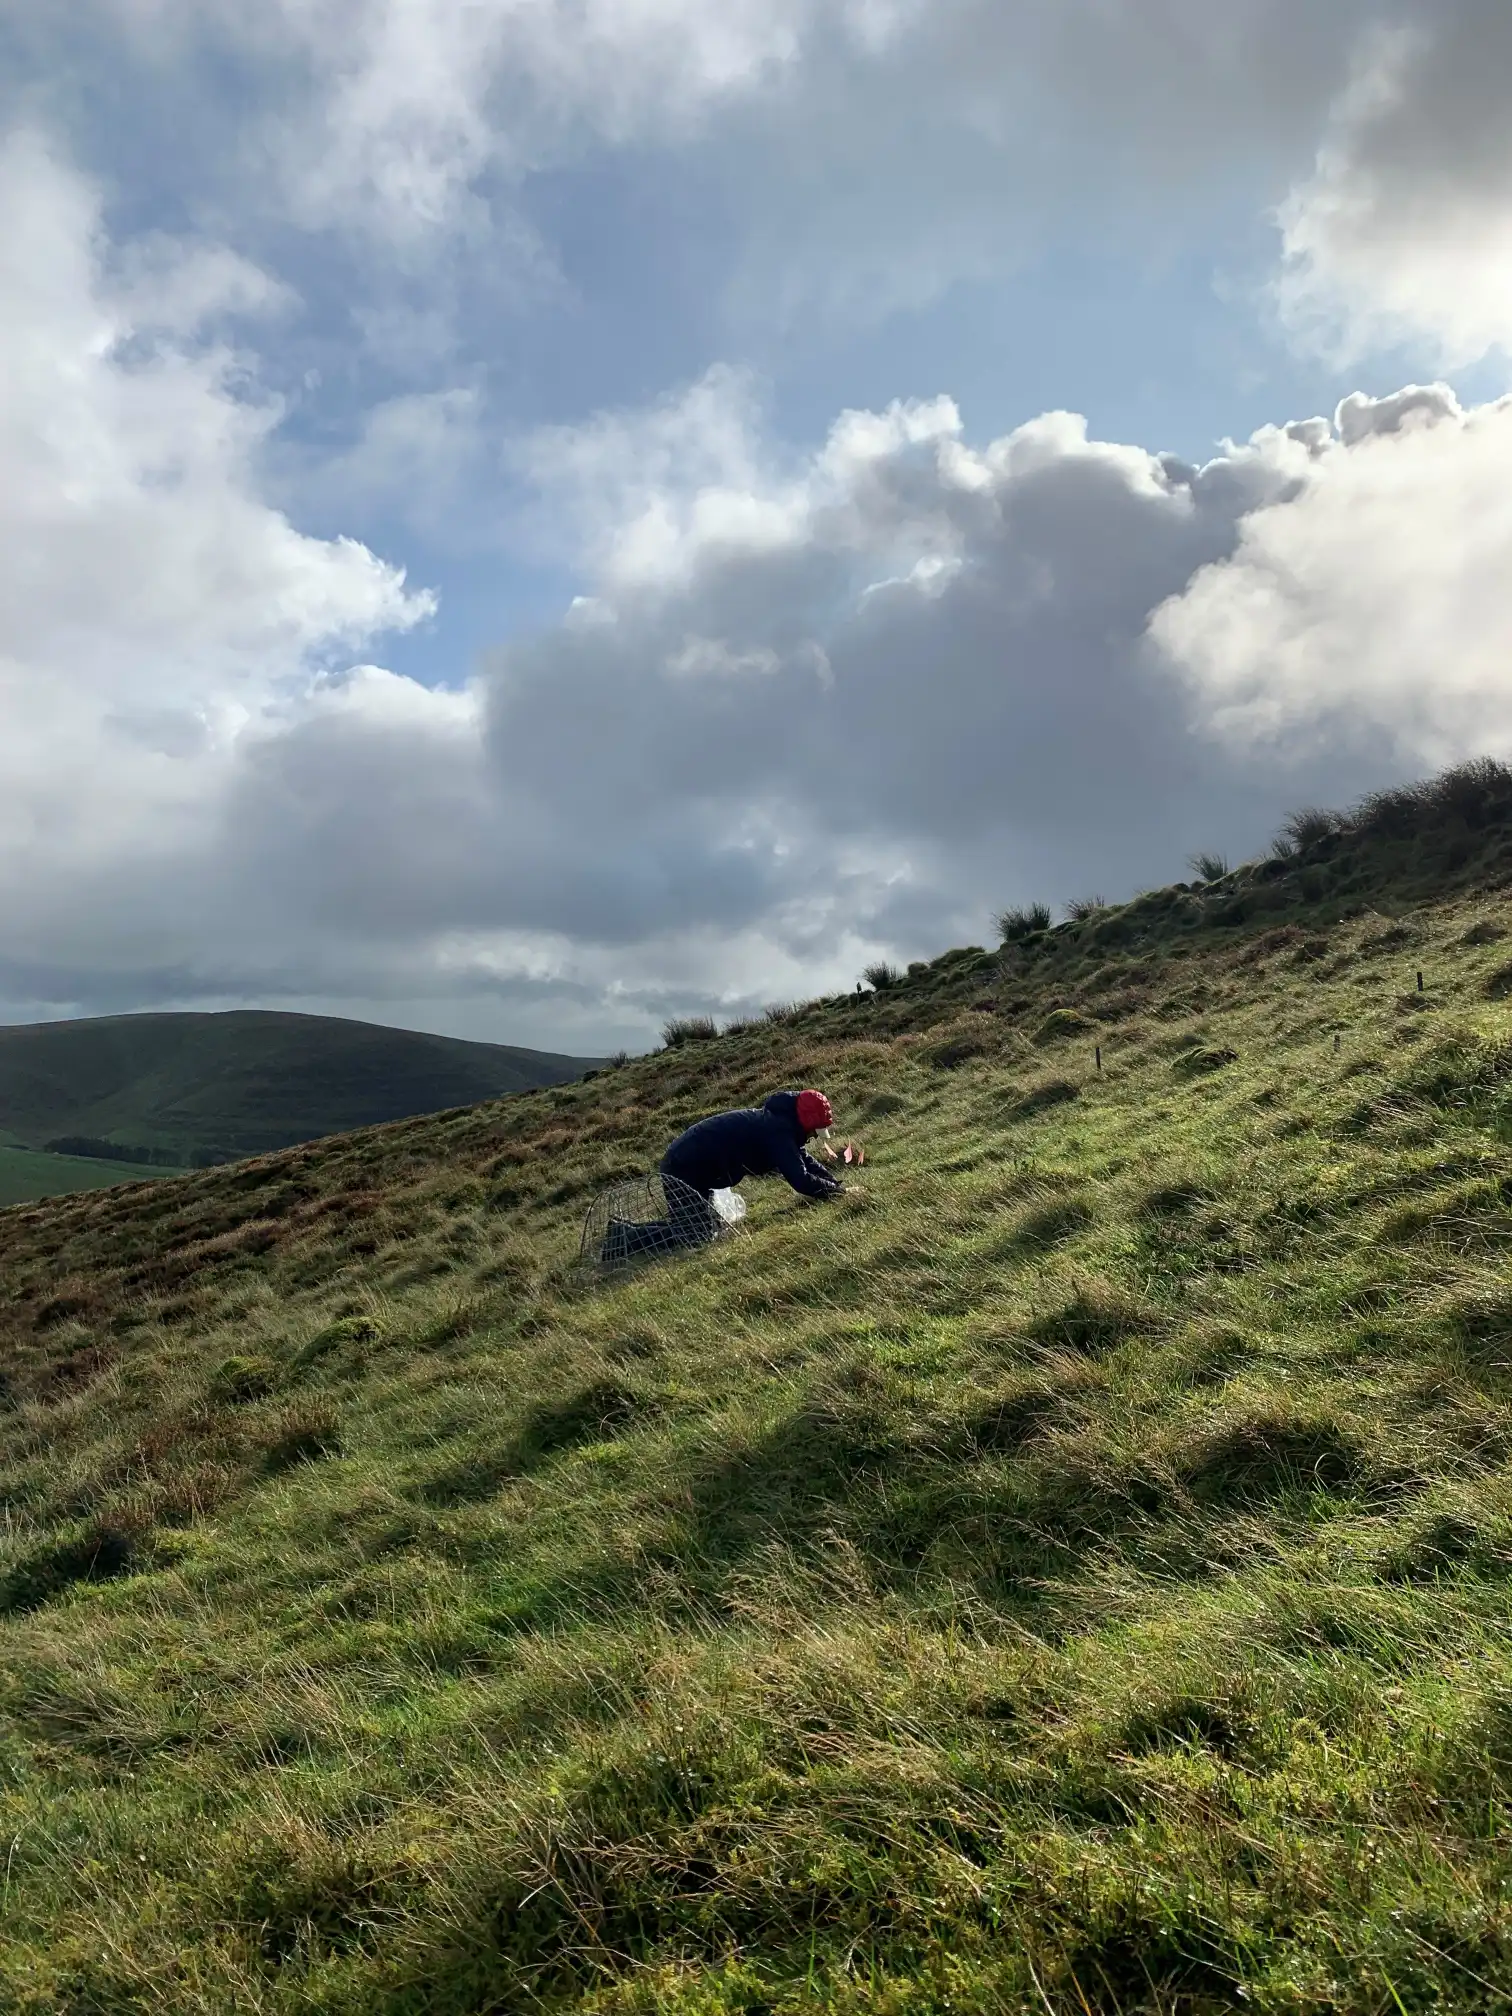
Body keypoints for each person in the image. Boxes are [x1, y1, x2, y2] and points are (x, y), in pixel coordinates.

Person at [601, 1089, 845, 1266]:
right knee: (696, 1235)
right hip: (684, 1167)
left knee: (705, 1227)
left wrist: (834, 1185)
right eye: (815, 1130)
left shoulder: (781, 1125)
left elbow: (802, 1160)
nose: (815, 1136)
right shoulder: (778, 1132)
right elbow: (800, 1179)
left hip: (695, 1165)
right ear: (806, 1122)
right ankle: (622, 1237)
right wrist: (836, 1194)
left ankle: (625, 1231)